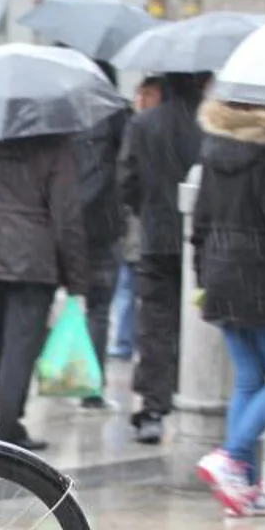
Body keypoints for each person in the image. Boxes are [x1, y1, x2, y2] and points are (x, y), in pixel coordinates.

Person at [0, 132, 90, 451]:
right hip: (31, 258)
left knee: (3, 340)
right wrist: (77, 279)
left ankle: (6, 421)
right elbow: (67, 215)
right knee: (21, 346)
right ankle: (7, 428)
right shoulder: (56, 147)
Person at [192, 95, 265, 516]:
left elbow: (200, 223)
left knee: (249, 379)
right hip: (261, 278)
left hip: (221, 274)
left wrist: (203, 278)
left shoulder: (213, 152)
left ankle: (244, 489)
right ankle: (232, 456)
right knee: (256, 379)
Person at [119, 72, 208, 444]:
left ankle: (153, 408)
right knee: (200, 321)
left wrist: (147, 208)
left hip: (156, 236)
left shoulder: (143, 123)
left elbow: (126, 178)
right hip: (200, 238)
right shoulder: (209, 124)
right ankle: (194, 394)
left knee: (155, 322)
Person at [70, 60, 131, 409]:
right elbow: (126, 165)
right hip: (102, 224)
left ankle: (39, 375)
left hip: (61, 221)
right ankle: (90, 391)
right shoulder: (117, 113)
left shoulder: (63, 111)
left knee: (43, 303)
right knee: (98, 308)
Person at [110, 76, 164, 361]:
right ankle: (123, 341)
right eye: (139, 94)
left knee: (135, 286)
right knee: (128, 284)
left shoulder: (144, 127)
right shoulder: (134, 125)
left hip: (146, 221)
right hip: (136, 221)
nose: (142, 100)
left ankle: (128, 342)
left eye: (149, 94)